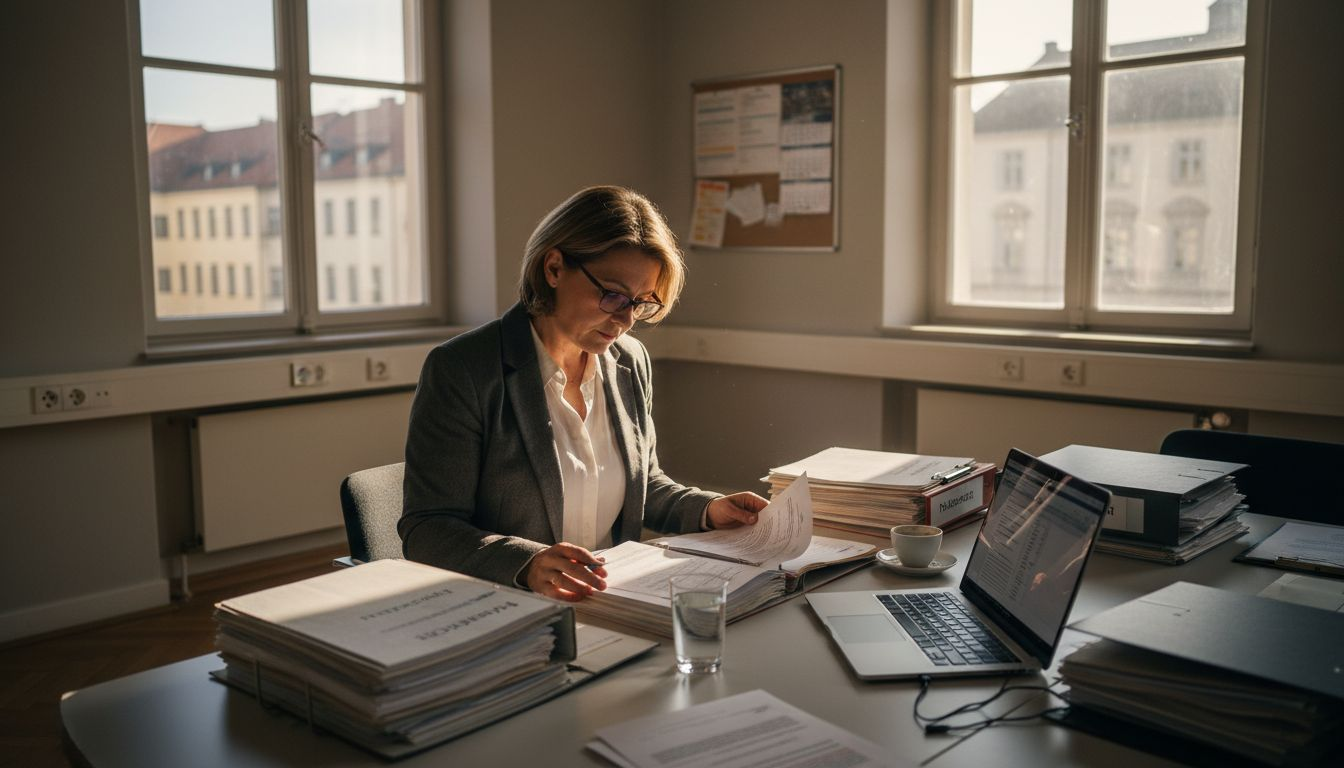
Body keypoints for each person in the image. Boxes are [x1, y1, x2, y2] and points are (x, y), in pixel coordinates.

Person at [400, 186, 767, 602]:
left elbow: (643, 487)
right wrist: (526, 563)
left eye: (641, 302)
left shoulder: (629, 362)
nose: (627, 320)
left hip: (613, 601)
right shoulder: (464, 369)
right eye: (612, 294)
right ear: (554, 268)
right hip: (507, 607)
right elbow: (427, 529)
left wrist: (707, 510)